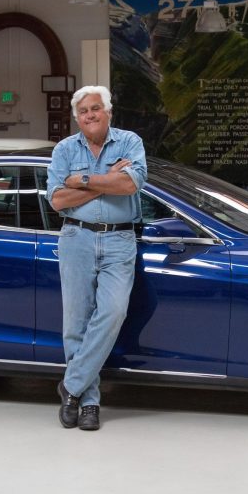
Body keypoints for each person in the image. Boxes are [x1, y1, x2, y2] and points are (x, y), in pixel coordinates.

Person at [46, 85, 147, 431]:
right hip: (76, 238)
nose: (89, 115)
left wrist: (84, 180)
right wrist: (108, 179)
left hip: (120, 239)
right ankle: (88, 402)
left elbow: (130, 185)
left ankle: (71, 386)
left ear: (108, 111)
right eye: (83, 111)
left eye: (95, 108)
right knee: (76, 323)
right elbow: (58, 200)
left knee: (113, 312)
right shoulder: (64, 149)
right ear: (77, 118)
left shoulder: (130, 142)